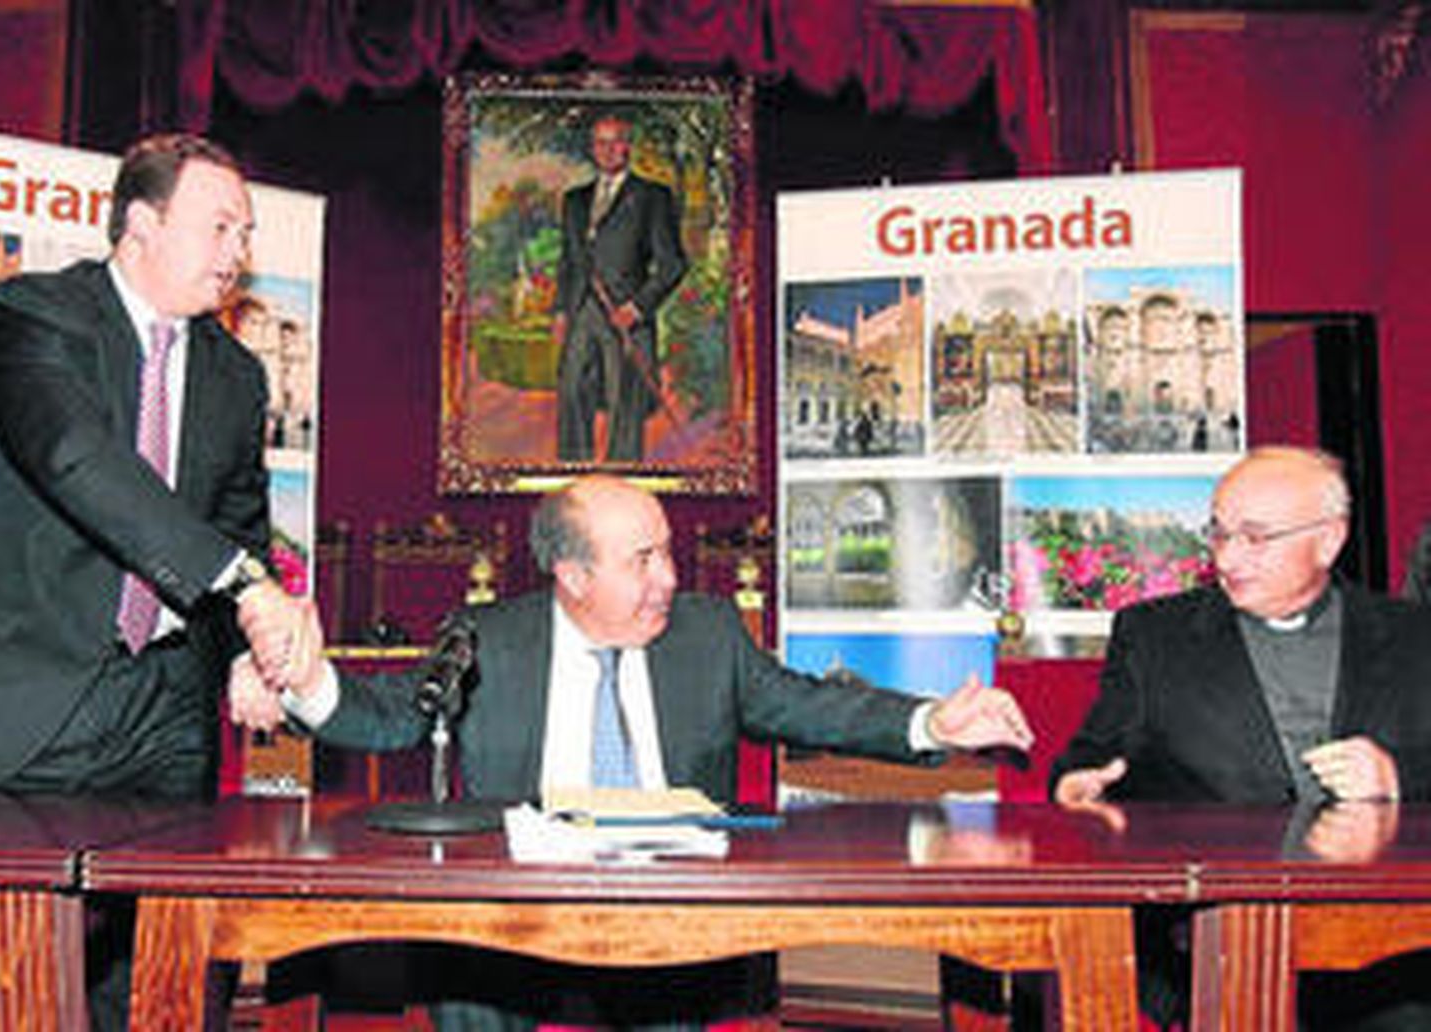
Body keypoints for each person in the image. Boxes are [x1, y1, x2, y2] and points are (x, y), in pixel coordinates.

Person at [233, 473, 1034, 1031]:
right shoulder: (488, 638)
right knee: (464, 970)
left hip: (669, 911)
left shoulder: (707, 633)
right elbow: (391, 719)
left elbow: (810, 705)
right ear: (573, 575)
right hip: (520, 909)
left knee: (676, 983)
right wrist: (306, 681)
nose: (668, 578)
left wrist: (933, 722)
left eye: (667, 553)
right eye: (642, 560)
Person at [0, 132, 308, 1030]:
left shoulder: (235, 375)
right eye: (220, 226)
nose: (237, 251)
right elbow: (74, 457)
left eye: (246, 232)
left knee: (158, 981)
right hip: (18, 695)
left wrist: (241, 651)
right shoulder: (34, 314)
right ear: (142, 224)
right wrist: (242, 581)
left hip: (162, 710)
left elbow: (238, 523)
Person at [1052, 446, 1431, 1030]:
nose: (1228, 557)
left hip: (1385, 951)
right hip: (1208, 940)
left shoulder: (1412, 636)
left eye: (1255, 538)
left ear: (1328, 540)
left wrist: (1397, 775)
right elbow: (1093, 756)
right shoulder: (1155, 636)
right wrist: (1077, 785)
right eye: (1219, 534)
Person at [553, 115, 688, 463]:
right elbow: (568, 261)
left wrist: (638, 307)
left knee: (624, 401)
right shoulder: (574, 200)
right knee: (571, 391)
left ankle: (624, 476)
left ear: (628, 146)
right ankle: (572, 471)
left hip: (626, 315)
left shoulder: (653, 196)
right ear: (592, 148)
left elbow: (673, 264)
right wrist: (560, 311)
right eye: (600, 142)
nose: (608, 149)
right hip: (582, 310)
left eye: (615, 141)